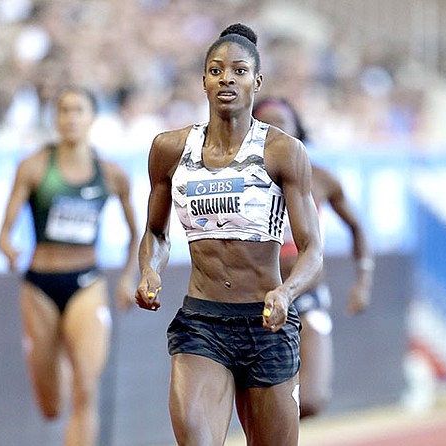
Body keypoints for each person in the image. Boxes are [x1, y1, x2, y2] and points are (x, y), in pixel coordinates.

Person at [135, 24, 323, 446]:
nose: (227, 79)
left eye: (239, 71)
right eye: (216, 70)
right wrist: (149, 269)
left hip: (266, 323)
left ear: (256, 81)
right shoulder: (169, 149)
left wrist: (287, 293)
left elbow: (313, 250)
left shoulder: (283, 151)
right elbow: (155, 231)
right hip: (202, 323)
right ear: (203, 80)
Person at [0, 86, 138, 446]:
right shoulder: (34, 167)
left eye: (79, 111)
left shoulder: (110, 174)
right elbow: (5, 231)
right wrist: (8, 248)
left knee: (86, 387)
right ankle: (55, 357)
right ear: (55, 118)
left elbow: (137, 233)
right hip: (40, 284)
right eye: (64, 111)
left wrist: (128, 277)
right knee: (50, 406)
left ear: (92, 118)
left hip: (86, 282)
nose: (71, 118)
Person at [253, 96, 374, 417]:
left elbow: (357, 228)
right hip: (258, 298)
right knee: (263, 401)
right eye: (268, 124)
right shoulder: (243, 182)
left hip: (308, 297)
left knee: (312, 398)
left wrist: (363, 279)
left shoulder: (319, 178)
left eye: (284, 123)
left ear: (297, 131)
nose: (276, 130)